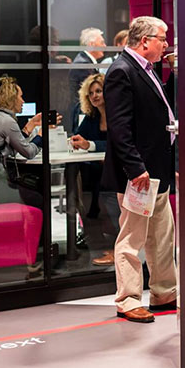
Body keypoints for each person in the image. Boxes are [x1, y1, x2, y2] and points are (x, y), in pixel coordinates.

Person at [102, 16, 177, 323]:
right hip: (140, 174)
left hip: (157, 169)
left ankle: (164, 292)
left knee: (162, 237)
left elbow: (161, 109)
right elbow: (119, 127)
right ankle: (128, 299)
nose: (166, 44)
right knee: (132, 239)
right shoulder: (122, 71)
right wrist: (135, 168)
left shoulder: (146, 70)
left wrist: (175, 73)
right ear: (145, 41)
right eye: (162, 39)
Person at [0, 76, 49, 208]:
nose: (23, 101)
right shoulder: (6, 120)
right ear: (10, 98)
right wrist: (41, 135)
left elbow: (10, 148)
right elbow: (29, 152)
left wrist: (31, 124)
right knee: (38, 199)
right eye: (20, 96)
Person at [69, 73, 117, 266]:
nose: (95, 96)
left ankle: (117, 250)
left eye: (98, 91)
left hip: (116, 172)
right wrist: (76, 141)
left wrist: (90, 145)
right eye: (91, 93)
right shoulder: (91, 117)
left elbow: (117, 144)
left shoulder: (117, 114)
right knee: (83, 193)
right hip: (96, 172)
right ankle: (100, 243)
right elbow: (80, 137)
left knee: (112, 207)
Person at [69, 27, 106, 98]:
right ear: (91, 45)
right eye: (102, 43)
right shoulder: (83, 65)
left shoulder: (86, 62)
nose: (105, 46)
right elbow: (89, 96)